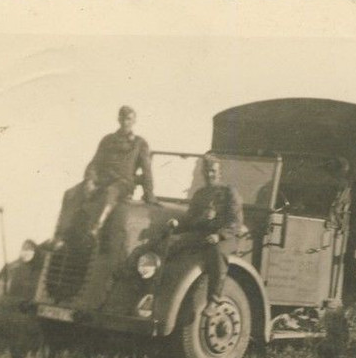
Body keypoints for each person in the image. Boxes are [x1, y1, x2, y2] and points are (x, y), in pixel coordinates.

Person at [167, 155, 244, 313]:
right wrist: (176, 225)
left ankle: (214, 299)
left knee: (217, 251)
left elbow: (235, 222)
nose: (210, 175)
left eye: (213, 171)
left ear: (219, 172)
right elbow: (189, 220)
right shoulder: (200, 194)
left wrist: (219, 235)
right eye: (207, 171)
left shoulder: (229, 192)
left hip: (227, 237)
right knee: (172, 243)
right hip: (203, 234)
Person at [82, 105, 155, 241]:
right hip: (102, 181)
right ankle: (63, 235)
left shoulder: (139, 143)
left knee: (111, 192)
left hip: (124, 184)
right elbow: (94, 163)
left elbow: (147, 171)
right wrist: (89, 180)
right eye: (122, 118)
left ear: (134, 121)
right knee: (72, 193)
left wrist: (149, 194)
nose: (125, 122)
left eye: (129, 119)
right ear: (118, 119)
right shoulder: (107, 140)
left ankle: (96, 227)